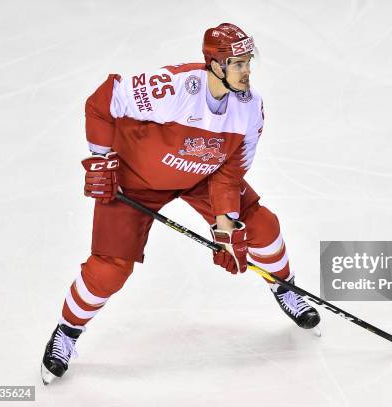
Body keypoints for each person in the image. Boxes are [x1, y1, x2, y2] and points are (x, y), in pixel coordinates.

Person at [41, 23, 320, 385]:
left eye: (249, 62)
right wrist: (101, 158)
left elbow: (229, 171)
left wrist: (226, 225)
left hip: (200, 176)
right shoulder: (172, 88)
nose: (246, 71)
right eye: (237, 63)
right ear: (215, 65)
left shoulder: (250, 109)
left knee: (261, 225)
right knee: (110, 269)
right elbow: (102, 100)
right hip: (133, 180)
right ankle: (67, 332)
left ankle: (285, 287)